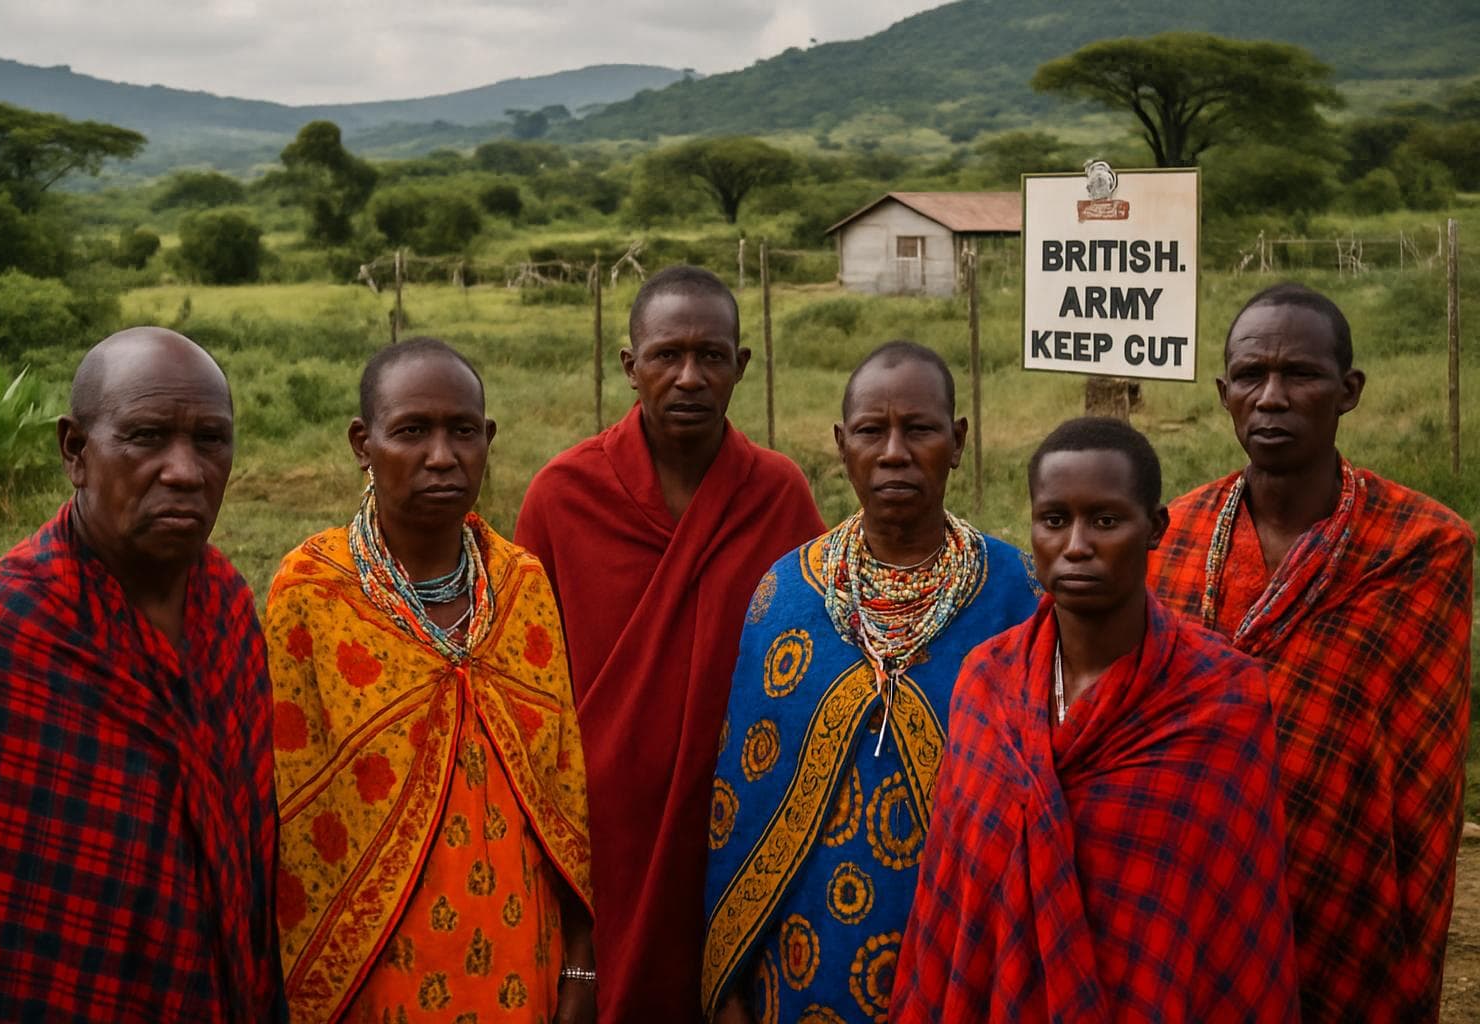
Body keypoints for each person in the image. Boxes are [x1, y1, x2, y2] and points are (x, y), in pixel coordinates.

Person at [893, 417, 1300, 1023]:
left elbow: (1233, 922)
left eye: (1105, 521)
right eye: (1054, 520)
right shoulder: (987, 683)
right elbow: (954, 900)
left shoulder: (1223, 699)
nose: (1076, 545)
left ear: (1155, 528)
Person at [1150, 283, 1475, 1022]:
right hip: (1186, 898)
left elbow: (1424, 779)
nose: (1271, 397)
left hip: (1343, 900)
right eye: (1250, 377)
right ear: (1223, 392)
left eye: (1300, 375)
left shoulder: (1421, 548)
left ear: (1348, 391)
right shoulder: (1170, 538)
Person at [514, 265, 826, 1022]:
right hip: (599, 840)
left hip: (735, 836)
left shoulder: (778, 493)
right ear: (630, 367)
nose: (689, 377)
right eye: (666, 356)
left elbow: (818, 667)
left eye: (711, 356)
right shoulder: (563, 495)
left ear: (741, 366)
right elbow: (523, 688)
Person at [0, 327, 284, 1021]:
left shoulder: (225, 605)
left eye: (211, 440)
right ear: (75, 450)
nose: (184, 469)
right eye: (147, 436)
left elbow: (249, 861)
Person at [702, 341, 1041, 1024]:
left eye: (919, 430)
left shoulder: (1017, 596)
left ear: (958, 441)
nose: (894, 452)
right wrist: (729, 979)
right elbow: (741, 796)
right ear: (840, 444)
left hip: (966, 954)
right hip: (801, 961)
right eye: (870, 431)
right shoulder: (784, 595)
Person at [267, 338, 595, 1024]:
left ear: (488, 439)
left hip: (520, 954)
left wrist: (581, 968)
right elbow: (285, 805)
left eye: (462, 432)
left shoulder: (520, 585)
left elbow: (565, 793)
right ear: (363, 442)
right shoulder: (312, 591)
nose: (441, 456)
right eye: (412, 431)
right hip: (371, 968)